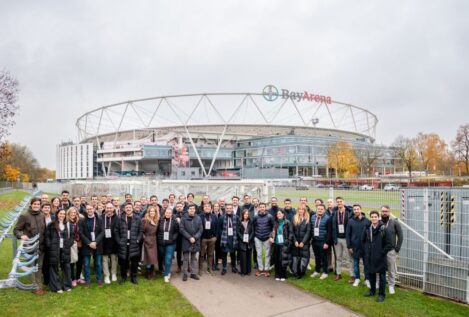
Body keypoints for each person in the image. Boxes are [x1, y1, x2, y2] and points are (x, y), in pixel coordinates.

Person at [14, 198, 46, 295]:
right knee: (31, 267)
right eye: (35, 204)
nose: (36, 205)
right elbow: (16, 230)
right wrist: (21, 235)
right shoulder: (24, 216)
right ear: (31, 204)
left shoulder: (42, 215)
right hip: (30, 246)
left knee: (39, 267)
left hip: (41, 246)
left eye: (38, 204)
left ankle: (39, 286)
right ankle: (34, 287)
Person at [362, 211, 393, 302]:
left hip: (380, 256)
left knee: (382, 276)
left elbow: (389, 244)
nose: (374, 218)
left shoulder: (383, 228)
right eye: (372, 217)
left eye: (375, 217)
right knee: (371, 274)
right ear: (370, 218)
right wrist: (367, 251)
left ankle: (381, 294)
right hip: (370, 256)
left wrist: (382, 253)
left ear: (378, 217)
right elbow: (363, 240)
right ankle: (372, 291)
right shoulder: (367, 228)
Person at [45, 209, 73, 293]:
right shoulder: (52, 224)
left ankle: (66, 285)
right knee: (54, 267)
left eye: (64, 214)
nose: (62, 215)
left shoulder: (68, 224)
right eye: (60, 214)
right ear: (57, 214)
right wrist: (49, 245)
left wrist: (68, 244)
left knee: (66, 267)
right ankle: (56, 287)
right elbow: (47, 236)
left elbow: (72, 236)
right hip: (54, 249)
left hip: (65, 249)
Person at [115, 202, 143, 284]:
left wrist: (137, 240)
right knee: (123, 262)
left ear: (132, 208)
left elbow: (140, 231)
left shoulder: (138, 218)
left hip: (134, 244)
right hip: (123, 244)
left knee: (134, 263)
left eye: (130, 207)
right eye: (126, 207)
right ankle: (123, 277)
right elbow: (116, 231)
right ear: (124, 209)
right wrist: (119, 241)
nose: (128, 209)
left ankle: (133, 277)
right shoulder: (120, 218)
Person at [380, 205, 403, 295]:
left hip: (391, 250)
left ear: (389, 212)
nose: (384, 213)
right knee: (380, 268)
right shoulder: (378, 222)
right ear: (380, 212)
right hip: (380, 250)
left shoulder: (394, 222)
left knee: (391, 269)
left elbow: (400, 236)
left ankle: (391, 285)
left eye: (386, 211)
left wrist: (397, 248)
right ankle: (380, 283)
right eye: (383, 211)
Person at [79, 204, 104, 286]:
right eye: (88, 209)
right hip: (87, 245)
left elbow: (102, 232)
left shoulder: (100, 219)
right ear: (86, 210)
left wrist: (95, 242)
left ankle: (99, 279)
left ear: (94, 209)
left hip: (98, 244)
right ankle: (87, 280)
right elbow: (81, 233)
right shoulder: (82, 220)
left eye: (91, 209)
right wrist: (89, 243)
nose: (89, 210)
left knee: (98, 263)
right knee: (86, 264)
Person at [346, 204, 370, 287]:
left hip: (365, 246)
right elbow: (348, 234)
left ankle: (367, 279)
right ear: (353, 211)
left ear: (361, 209)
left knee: (366, 264)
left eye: (357, 209)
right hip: (354, 246)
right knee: (355, 263)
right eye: (354, 209)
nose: (356, 211)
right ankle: (357, 278)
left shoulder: (367, 221)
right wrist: (349, 246)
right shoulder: (350, 221)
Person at [179, 204, 203, 281]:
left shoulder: (198, 218)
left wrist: (195, 237)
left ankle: (193, 273)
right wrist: (189, 237)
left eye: (193, 209)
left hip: (195, 241)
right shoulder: (183, 218)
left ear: (195, 210)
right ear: (188, 210)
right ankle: (185, 274)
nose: (192, 210)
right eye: (190, 209)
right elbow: (181, 229)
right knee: (185, 258)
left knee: (194, 258)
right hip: (186, 241)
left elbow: (200, 229)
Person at [334, 196, 355, 283]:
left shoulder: (349, 212)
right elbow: (333, 226)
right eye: (338, 202)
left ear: (344, 202)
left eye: (340, 201)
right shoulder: (335, 213)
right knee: (338, 257)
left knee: (349, 258)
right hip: (338, 238)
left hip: (347, 239)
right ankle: (338, 273)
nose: (339, 203)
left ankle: (352, 275)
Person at [310, 204, 332, 279]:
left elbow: (329, 232)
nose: (320, 210)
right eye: (318, 209)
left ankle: (325, 272)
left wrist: (327, 242)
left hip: (323, 241)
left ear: (324, 210)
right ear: (316, 209)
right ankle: (317, 271)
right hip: (315, 240)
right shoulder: (313, 217)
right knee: (317, 257)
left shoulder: (327, 218)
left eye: (321, 209)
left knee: (324, 257)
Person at [158, 207, 179, 283]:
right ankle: (168, 270)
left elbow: (177, 232)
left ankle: (166, 275)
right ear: (164, 213)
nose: (168, 214)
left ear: (171, 214)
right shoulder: (160, 220)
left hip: (171, 243)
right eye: (167, 213)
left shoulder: (174, 221)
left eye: (169, 213)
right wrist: (159, 239)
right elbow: (157, 231)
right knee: (164, 258)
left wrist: (172, 239)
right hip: (161, 243)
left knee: (168, 258)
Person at [253, 202, 275, 277]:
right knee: (259, 254)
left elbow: (273, 227)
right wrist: (255, 236)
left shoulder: (270, 217)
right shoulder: (255, 217)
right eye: (261, 207)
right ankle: (260, 269)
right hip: (258, 238)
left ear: (265, 208)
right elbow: (253, 226)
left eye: (263, 207)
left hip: (267, 238)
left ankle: (266, 270)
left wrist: (271, 236)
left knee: (267, 255)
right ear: (258, 208)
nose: (262, 208)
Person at [271, 210, 293, 281]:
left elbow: (291, 233)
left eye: (280, 213)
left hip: (284, 244)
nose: (279, 215)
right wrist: (271, 237)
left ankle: (283, 275)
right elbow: (272, 232)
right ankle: (277, 274)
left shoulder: (287, 222)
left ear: (283, 214)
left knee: (283, 260)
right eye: (277, 214)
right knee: (277, 260)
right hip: (276, 244)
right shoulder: (275, 222)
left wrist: (288, 242)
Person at [291, 206, 311, 279]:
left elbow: (308, 232)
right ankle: (295, 272)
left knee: (303, 258)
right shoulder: (294, 218)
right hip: (296, 242)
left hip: (304, 243)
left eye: (302, 209)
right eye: (300, 209)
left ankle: (301, 272)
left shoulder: (307, 219)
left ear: (305, 211)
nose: (301, 210)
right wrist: (295, 241)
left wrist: (303, 242)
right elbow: (292, 231)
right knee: (295, 257)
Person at [218, 203, 238, 275]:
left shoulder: (236, 217)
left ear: (232, 209)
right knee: (224, 254)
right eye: (227, 208)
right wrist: (223, 235)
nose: (229, 209)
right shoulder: (222, 217)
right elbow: (219, 228)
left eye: (230, 208)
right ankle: (224, 268)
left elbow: (238, 228)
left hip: (233, 238)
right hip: (225, 239)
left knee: (233, 254)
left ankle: (233, 267)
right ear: (225, 209)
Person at [101, 202, 118, 284]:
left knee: (114, 258)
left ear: (113, 209)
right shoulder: (101, 217)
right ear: (105, 208)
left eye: (110, 208)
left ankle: (113, 273)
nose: (109, 209)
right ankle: (106, 275)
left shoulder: (117, 218)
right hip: (104, 242)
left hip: (114, 241)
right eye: (107, 208)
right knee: (104, 260)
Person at [199, 203, 218, 274]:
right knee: (201, 254)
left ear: (211, 208)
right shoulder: (200, 216)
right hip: (203, 239)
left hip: (212, 239)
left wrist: (215, 237)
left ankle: (209, 268)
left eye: (208, 206)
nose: (207, 207)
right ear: (203, 208)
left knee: (210, 254)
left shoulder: (214, 216)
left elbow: (217, 227)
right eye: (205, 206)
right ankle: (200, 269)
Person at [66, 207, 83, 287]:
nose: (73, 214)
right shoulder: (66, 222)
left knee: (80, 261)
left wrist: (80, 241)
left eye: (75, 213)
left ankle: (78, 277)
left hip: (80, 244)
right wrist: (73, 241)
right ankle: (72, 279)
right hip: (72, 244)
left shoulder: (79, 222)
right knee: (72, 262)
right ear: (68, 214)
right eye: (71, 213)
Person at [142, 206, 159, 279]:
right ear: (148, 212)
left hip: (154, 240)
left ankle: (152, 271)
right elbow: (141, 231)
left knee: (153, 257)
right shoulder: (144, 220)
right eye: (150, 211)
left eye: (153, 211)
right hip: (147, 240)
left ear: (155, 212)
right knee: (148, 257)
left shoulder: (156, 220)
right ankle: (148, 272)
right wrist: (145, 238)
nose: (152, 212)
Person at [237, 209, 254, 276]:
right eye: (245, 214)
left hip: (249, 242)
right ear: (242, 215)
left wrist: (249, 238)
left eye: (247, 214)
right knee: (243, 257)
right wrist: (243, 238)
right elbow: (238, 232)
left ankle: (248, 271)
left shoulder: (251, 221)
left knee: (249, 257)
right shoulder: (239, 221)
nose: (246, 215)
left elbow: (253, 231)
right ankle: (243, 272)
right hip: (242, 242)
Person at [174, 202, 185, 273]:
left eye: (180, 206)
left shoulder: (186, 215)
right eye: (177, 206)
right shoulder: (174, 216)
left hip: (185, 236)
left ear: (183, 207)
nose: (179, 208)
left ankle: (187, 265)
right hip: (177, 237)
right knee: (178, 252)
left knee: (186, 251)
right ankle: (179, 266)